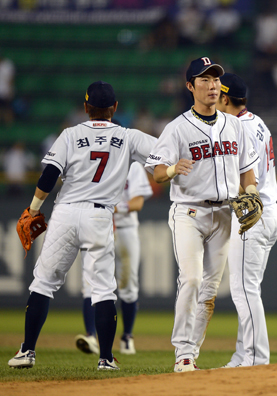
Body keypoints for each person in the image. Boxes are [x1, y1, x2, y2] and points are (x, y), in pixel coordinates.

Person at [7, 81, 156, 370]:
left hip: (65, 213)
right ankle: (106, 358)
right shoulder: (128, 136)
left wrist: (32, 209)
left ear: (86, 108)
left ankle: (27, 351)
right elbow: (164, 150)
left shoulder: (70, 134)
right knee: (102, 289)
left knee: (44, 282)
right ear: (115, 108)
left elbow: (49, 175)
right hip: (100, 216)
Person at [145, 57, 260, 373]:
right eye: (204, 80)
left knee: (209, 292)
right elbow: (156, 173)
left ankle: (190, 355)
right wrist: (170, 169)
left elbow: (247, 171)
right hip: (189, 212)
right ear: (190, 86)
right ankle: (182, 351)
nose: (212, 85)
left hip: (225, 213)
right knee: (192, 279)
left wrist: (250, 193)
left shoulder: (234, 125)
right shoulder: (177, 127)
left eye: (215, 80)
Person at [215, 73, 277, 367]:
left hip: (252, 213)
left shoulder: (236, 127)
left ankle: (256, 359)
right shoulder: (256, 122)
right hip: (268, 211)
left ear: (224, 99)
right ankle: (242, 355)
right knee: (248, 288)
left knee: (244, 291)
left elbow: (240, 177)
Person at [75, 160, 153, 355]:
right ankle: (91, 337)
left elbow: (138, 202)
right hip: (98, 228)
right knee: (90, 283)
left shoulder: (132, 165)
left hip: (125, 230)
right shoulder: (91, 162)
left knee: (128, 285)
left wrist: (114, 208)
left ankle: (127, 336)